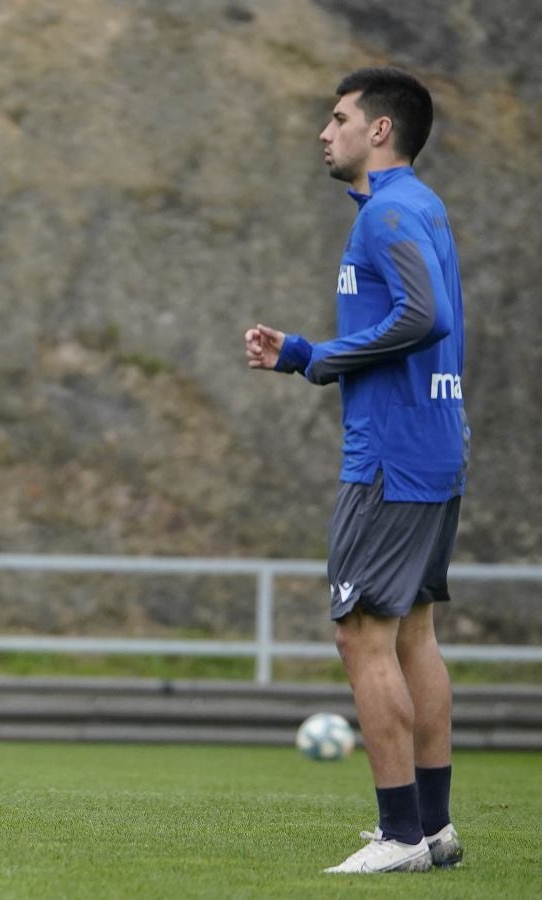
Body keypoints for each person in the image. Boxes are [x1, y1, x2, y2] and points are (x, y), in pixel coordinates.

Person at [244, 67, 466, 874]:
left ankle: (401, 835)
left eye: (337, 118)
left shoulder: (389, 213)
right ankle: (433, 829)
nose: (323, 131)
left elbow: (424, 314)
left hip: (390, 454)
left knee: (359, 633)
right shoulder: (422, 205)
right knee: (412, 633)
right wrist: (304, 353)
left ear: (380, 131)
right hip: (435, 440)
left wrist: (323, 361)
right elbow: (417, 320)